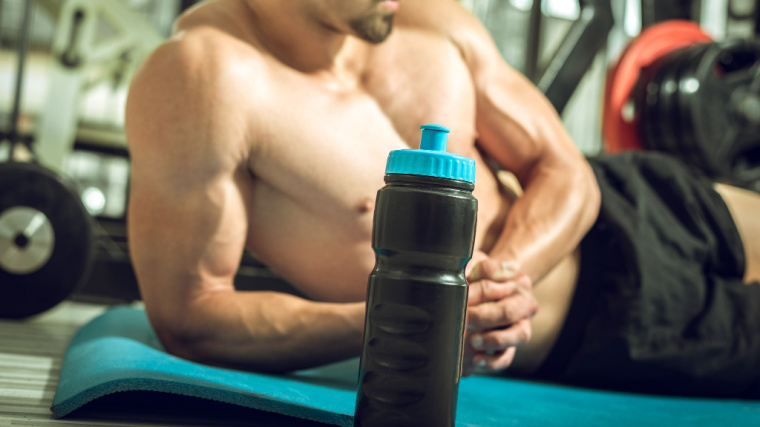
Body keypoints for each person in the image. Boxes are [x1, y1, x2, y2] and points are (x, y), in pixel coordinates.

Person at [125, 0, 760, 398]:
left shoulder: (430, 17)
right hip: (609, 325)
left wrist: (503, 275)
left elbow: (563, 169)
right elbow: (191, 314)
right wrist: (422, 322)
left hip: (648, 200)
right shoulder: (205, 78)